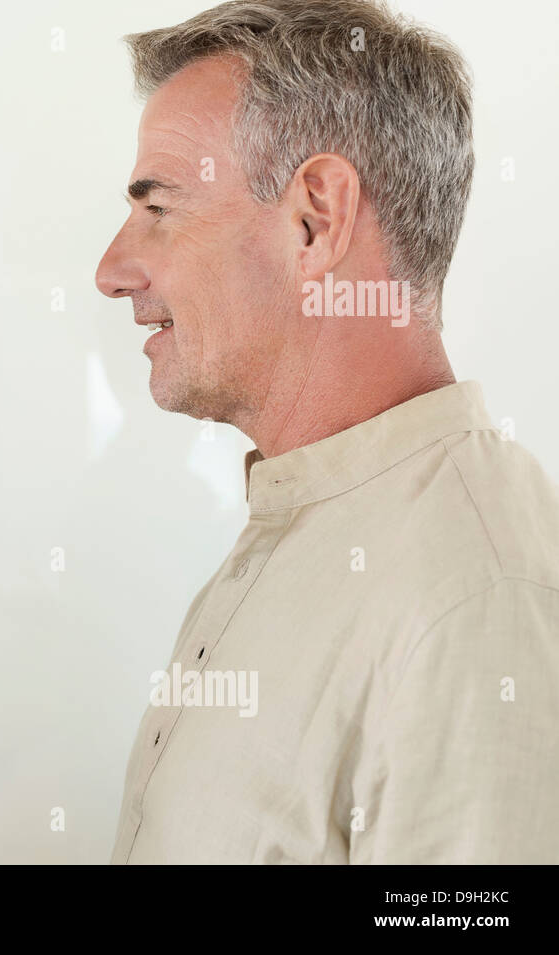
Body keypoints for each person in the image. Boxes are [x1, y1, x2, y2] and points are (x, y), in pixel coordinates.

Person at [94, 0, 559, 863]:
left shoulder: (474, 599)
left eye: (158, 208)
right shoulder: (312, 526)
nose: (111, 270)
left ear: (315, 218)